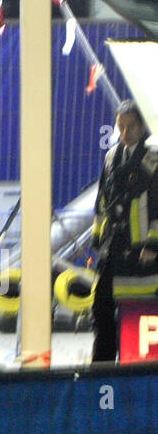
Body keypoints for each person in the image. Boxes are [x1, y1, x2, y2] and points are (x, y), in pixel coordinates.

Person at [89, 100, 158, 362]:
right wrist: (98, 241)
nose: (125, 133)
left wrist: (153, 246)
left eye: (131, 127)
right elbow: (102, 203)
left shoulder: (153, 158)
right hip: (112, 250)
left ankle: (135, 367)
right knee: (101, 309)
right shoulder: (110, 157)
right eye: (121, 127)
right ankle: (101, 368)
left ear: (142, 126)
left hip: (143, 253)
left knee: (138, 311)